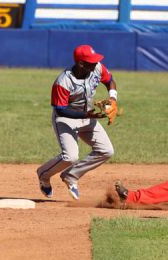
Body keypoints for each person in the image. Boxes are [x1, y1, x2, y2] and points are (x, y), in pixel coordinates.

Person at [37, 44, 118, 200]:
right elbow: (60, 109)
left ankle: (71, 176)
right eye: (91, 61)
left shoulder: (97, 68)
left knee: (106, 151)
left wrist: (113, 99)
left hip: (87, 117)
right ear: (81, 64)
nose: (96, 63)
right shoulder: (63, 81)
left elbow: (110, 81)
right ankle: (43, 174)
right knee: (70, 157)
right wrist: (86, 115)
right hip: (65, 119)